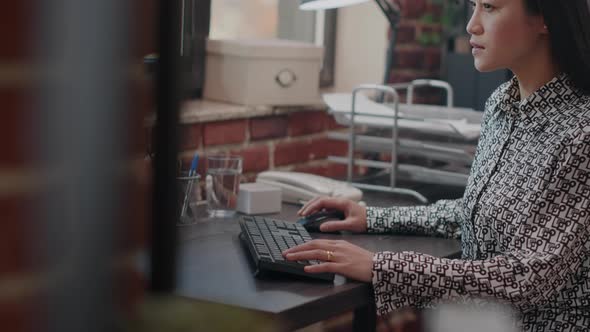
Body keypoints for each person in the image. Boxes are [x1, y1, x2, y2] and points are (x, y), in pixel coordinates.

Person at [282, 0, 590, 330]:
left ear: (544, 18)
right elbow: (474, 212)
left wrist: (380, 266)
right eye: (474, 5)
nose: (472, 25)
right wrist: (372, 216)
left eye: (490, 6)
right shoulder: (502, 104)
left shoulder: (581, 134)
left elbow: (526, 279)